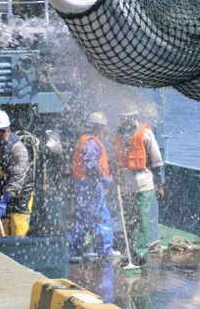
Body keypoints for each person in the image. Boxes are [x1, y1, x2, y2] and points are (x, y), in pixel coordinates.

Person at [112, 105, 165, 265]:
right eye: (123, 118)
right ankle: (129, 250)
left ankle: (141, 254)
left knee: (142, 218)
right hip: (125, 183)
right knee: (128, 219)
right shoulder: (117, 134)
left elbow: (157, 160)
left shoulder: (145, 132)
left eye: (128, 118)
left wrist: (160, 184)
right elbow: (114, 157)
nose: (125, 121)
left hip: (143, 182)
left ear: (134, 117)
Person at [68, 112, 117, 261]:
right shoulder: (92, 142)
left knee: (85, 219)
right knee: (101, 218)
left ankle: (69, 248)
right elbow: (90, 164)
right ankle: (105, 251)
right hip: (91, 185)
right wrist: (103, 179)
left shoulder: (84, 140)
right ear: (100, 128)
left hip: (82, 184)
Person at [0, 109, 35, 236]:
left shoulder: (18, 148)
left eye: (2, 131)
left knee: (16, 220)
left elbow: (18, 177)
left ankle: (18, 248)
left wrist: (6, 198)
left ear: (8, 128)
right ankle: (1, 249)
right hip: (0, 184)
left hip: (21, 188)